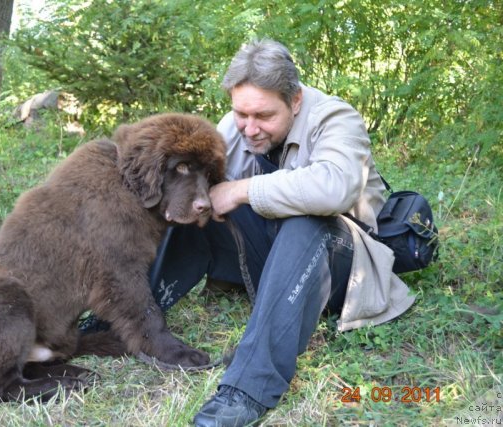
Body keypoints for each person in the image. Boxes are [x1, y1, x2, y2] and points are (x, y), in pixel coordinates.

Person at [144, 39, 416, 426]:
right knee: (196, 203)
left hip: (341, 265)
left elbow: (334, 189)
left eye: (263, 116)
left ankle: (247, 390)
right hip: (274, 260)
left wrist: (240, 190)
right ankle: (135, 317)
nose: (249, 128)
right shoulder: (238, 126)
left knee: (307, 217)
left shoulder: (337, 118)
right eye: (241, 113)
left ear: (296, 101)